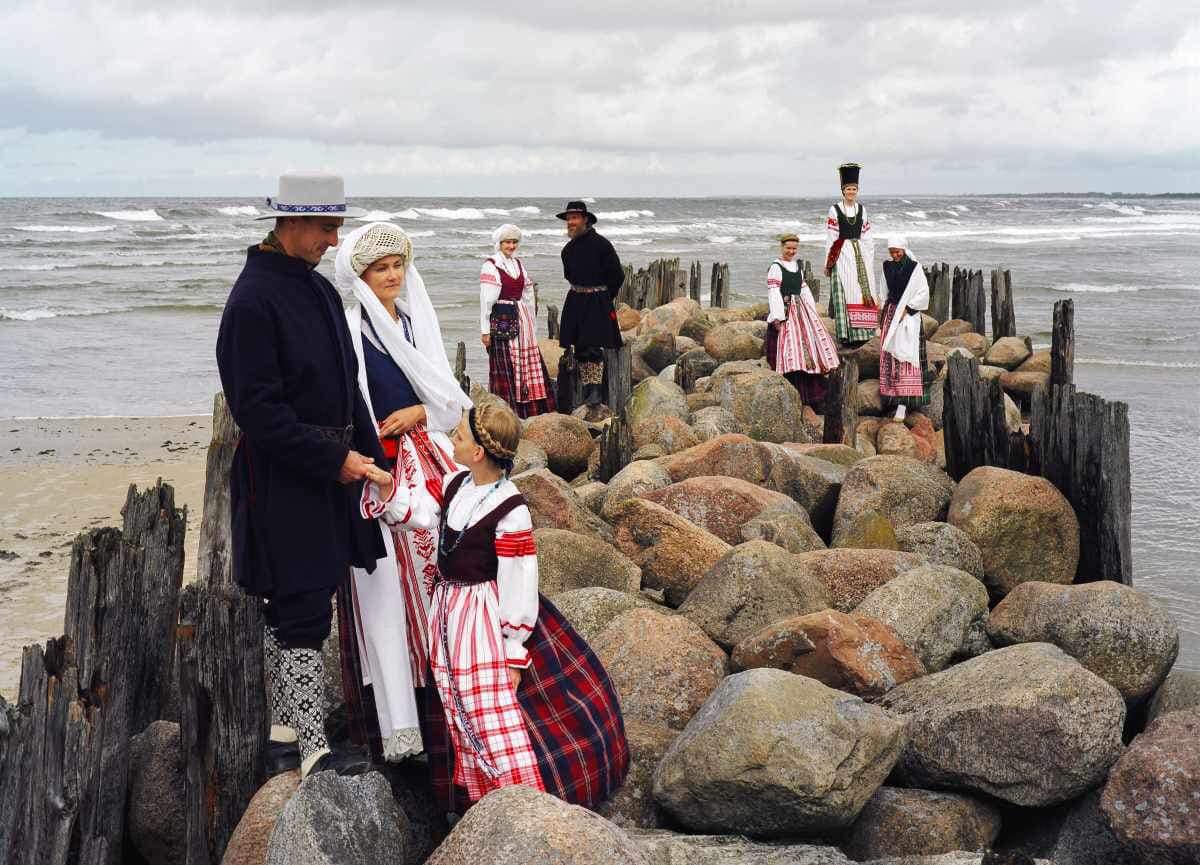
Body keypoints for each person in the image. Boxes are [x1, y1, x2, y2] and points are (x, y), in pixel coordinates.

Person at [361, 401, 629, 813]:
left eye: (460, 436)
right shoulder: (456, 484)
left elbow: (519, 581)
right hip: (449, 612)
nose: (452, 439)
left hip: (484, 617)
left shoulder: (510, 508)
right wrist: (385, 485)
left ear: (479, 452)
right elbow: (419, 513)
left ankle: (520, 803)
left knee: (492, 710)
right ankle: (480, 800)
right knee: (456, 702)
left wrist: (515, 650)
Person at [215, 171, 380, 778]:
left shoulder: (311, 288)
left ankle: (290, 734)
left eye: (337, 227)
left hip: (323, 473)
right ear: (286, 223)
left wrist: (368, 452)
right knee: (299, 603)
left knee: (311, 599)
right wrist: (333, 460)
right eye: (325, 228)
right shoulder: (253, 300)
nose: (334, 242)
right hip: (283, 479)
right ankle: (308, 747)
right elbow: (257, 412)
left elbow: (347, 385)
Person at [332, 221, 473, 762]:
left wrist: (420, 410)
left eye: (397, 266)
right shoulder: (351, 329)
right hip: (384, 469)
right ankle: (400, 721)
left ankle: (451, 688)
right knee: (388, 583)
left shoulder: (414, 322)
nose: (392, 276)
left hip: (428, 456)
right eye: (380, 268)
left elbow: (443, 396)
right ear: (360, 276)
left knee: (444, 574)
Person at [480, 224, 556, 417]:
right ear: (499, 243)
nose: (511, 246)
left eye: (514, 242)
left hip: (522, 318)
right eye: (507, 242)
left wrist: (531, 321)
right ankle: (509, 410)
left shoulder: (519, 264)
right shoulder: (491, 265)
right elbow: (486, 301)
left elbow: (528, 292)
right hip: (502, 319)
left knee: (526, 360)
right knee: (507, 361)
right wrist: (485, 330)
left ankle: (530, 410)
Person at [557, 200, 625, 408]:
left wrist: (604, 298)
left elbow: (617, 276)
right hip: (576, 300)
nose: (571, 222)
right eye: (568, 219)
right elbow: (569, 275)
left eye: (575, 218)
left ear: (585, 220)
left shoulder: (602, 245)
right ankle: (586, 388)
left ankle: (595, 391)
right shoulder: (567, 250)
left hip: (597, 300)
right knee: (579, 346)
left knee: (594, 345)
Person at [765, 233, 840, 404]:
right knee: (788, 349)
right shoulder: (776, 267)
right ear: (781, 247)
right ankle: (788, 387)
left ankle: (808, 391)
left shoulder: (796, 266)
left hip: (800, 310)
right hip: (785, 311)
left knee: (808, 347)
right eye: (788, 248)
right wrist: (777, 316)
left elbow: (803, 288)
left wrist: (811, 310)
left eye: (794, 249)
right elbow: (774, 292)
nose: (791, 251)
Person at [824, 163, 879, 345]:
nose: (851, 192)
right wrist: (829, 262)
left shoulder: (862, 210)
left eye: (854, 189)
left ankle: (864, 333)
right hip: (842, 253)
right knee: (845, 291)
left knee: (861, 290)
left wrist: (868, 259)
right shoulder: (835, 209)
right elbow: (831, 237)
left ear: (857, 190)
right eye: (848, 188)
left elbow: (867, 236)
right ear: (843, 190)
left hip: (859, 254)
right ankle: (847, 335)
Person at [879, 235, 931, 420]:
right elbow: (884, 291)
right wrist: (882, 312)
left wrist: (908, 309)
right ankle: (891, 398)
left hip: (907, 315)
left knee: (906, 356)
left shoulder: (914, 268)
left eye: (897, 251)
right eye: (891, 251)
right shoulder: (886, 266)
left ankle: (905, 402)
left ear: (904, 249)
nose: (894, 255)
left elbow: (923, 292)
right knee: (890, 356)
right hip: (891, 314)